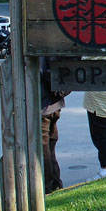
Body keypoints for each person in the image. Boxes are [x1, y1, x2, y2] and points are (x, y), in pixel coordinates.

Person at [40, 57, 66, 194]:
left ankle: (49, 186)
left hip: (44, 104)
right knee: (49, 146)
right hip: (52, 103)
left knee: (44, 147)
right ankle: (55, 183)